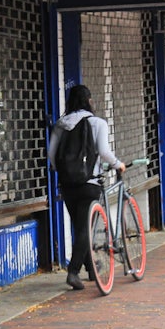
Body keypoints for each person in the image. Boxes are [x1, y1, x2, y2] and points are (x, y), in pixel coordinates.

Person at [48, 84, 124, 291]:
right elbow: (104, 152)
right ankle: (73, 272)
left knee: (81, 227)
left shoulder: (60, 124)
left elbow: (52, 156)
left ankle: (91, 268)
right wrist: (118, 164)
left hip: (68, 185)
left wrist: (64, 171)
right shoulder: (97, 122)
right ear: (89, 101)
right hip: (89, 183)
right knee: (85, 229)